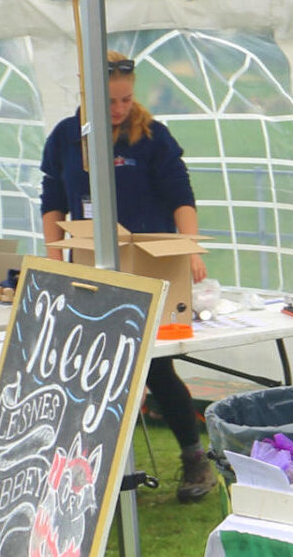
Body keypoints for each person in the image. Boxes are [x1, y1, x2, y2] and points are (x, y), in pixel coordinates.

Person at [40, 50, 214, 503]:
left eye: (126, 98)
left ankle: (195, 456)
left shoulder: (152, 137)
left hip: (149, 267)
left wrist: (189, 249)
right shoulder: (64, 138)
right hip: (89, 269)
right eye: (111, 101)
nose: (119, 109)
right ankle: (89, 470)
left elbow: (182, 195)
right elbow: (53, 201)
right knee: (91, 370)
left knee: (156, 368)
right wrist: (53, 255)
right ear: (88, 96)